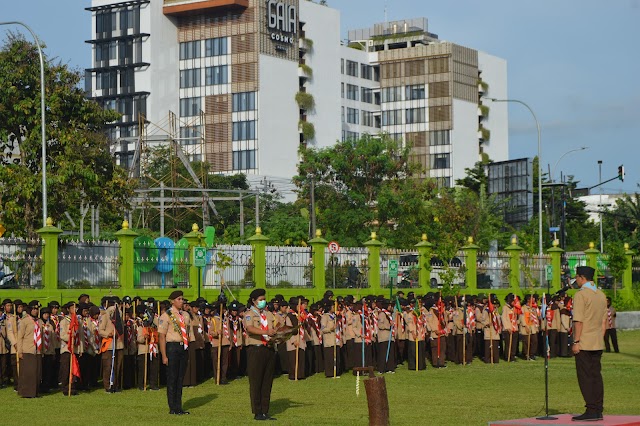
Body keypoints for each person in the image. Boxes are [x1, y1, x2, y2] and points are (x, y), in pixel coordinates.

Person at [571, 266, 607, 422]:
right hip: (597, 341)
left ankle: (591, 409)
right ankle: (598, 408)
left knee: (585, 376)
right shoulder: (601, 295)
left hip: (584, 341)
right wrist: (599, 336)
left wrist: (576, 341)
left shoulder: (581, 295)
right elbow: (604, 321)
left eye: (577, 277)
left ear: (582, 278)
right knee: (596, 376)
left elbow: (578, 320)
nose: (576, 280)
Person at [243, 288, 277, 421]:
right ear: (254, 301)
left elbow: (273, 328)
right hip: (255, 349)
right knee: (256, 381)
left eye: (264, 299)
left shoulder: (268, 314)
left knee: (267, 381)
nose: (263, 302)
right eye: (260, 300)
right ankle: (257, 411)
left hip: (268, 348)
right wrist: (266, 332)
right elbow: (250, 328)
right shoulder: (249, 314)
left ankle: (265, 410)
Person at [158, 290, 190, 415]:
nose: (181, 301)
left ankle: (179, 406)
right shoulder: (166, 315)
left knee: (180, 378)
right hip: (172, 347)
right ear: (172, 301)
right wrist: (164, 355)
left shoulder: (185, 315)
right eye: (179, 299)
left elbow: (187, 332)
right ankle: (173, 407)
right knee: (172, 378)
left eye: (182, 299)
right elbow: (161, 337)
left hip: (183, 347)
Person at [16, 300, 43, 398]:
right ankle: (27, 392)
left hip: (38, 350)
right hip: (28, 349)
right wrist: (19, 351)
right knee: (29, 372)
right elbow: (20, 337)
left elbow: (41, 336)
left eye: (37, 309)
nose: (36, 311)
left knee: (37, 372)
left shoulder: (39, 321)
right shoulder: (24, 321)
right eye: (34, 309)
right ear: (30, 310)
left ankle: (35, 391)